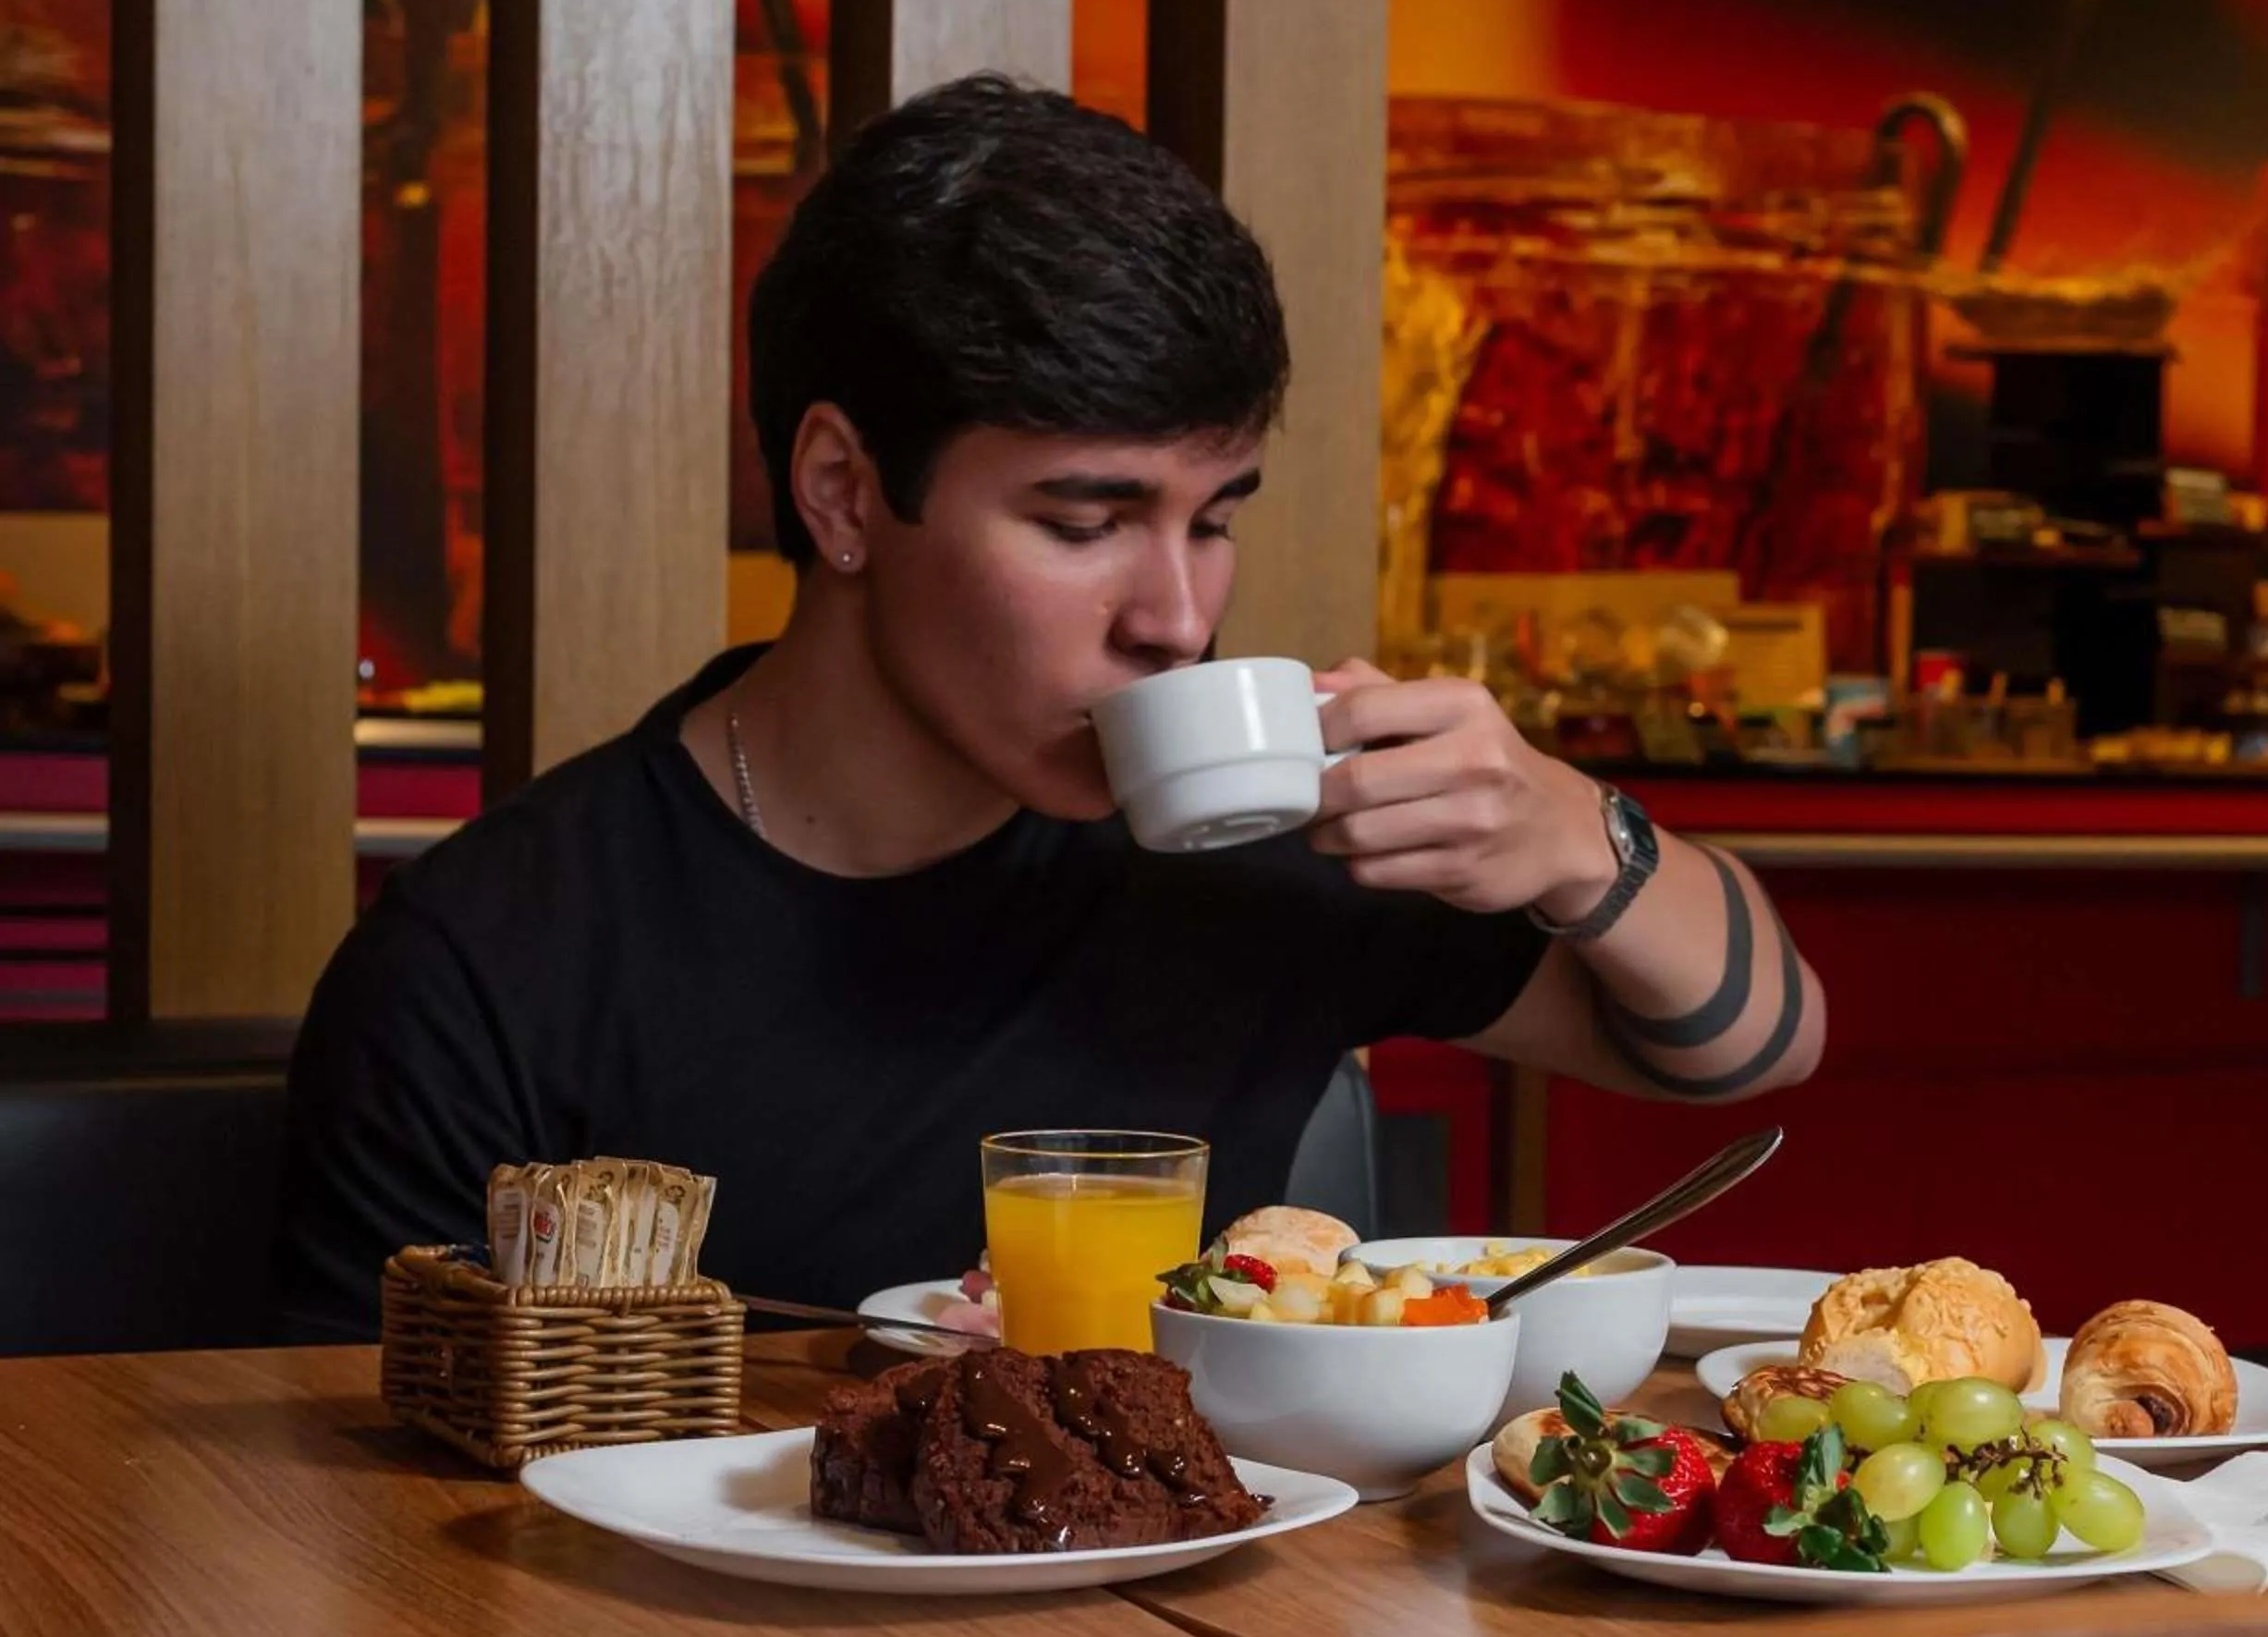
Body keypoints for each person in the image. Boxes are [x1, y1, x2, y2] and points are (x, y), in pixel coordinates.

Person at [273, 75, 1825, 1338]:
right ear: (843, 492)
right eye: (1085, 522)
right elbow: (363, 1554)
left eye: (1212, 517)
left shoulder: (1242, 836)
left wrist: (1574, 840)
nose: (1179, 614)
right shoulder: (497, 966)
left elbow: (1750, 1047)